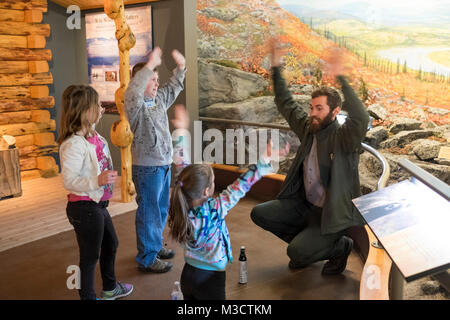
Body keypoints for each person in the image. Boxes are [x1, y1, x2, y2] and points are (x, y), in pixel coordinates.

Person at [250, 39, 370, 275]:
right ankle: (308, 244)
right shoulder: (308, 127)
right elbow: (285, 102)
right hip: (303, 206)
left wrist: (341, 78)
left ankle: (339, 246)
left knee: (296, 253)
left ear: (335, 112)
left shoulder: (344, 137)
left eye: (319, 109)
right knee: (259, 213)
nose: (313, 113)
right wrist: (275, 66)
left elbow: (362, 117)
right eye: (312, 107)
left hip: (329, 216)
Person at [168, 105, 289, 299]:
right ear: (207, 191)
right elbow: (240, 186)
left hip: (188, 275)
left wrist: (181, 131)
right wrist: (264, 159)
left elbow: (181, 165)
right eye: (213, 182)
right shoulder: (215, 210)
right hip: (211, 279)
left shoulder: (179, 205)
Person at [58, 85, 133, 300]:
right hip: (84, 207)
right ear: (84, 110)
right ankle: (88, 297)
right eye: (97, 105)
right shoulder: (73, 144)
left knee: (111, 244)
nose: (101, 108)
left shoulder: (92, 134)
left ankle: (109, 288)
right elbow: (69, 181)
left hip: (97, 203)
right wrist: (97, 180)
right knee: (89, 257)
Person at [124, 47, 186, 273]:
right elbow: (133, 92)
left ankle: (155, 246)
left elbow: (173, 87)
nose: (156, 83)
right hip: (147, 168)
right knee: (149, 212)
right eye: (152, 80)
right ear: (140, 82)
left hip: (163, 165)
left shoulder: (158, 99)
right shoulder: (134, 104)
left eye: (157, 79)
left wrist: (181, 68)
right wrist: (149, 66)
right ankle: (147, 258)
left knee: (160, 210)